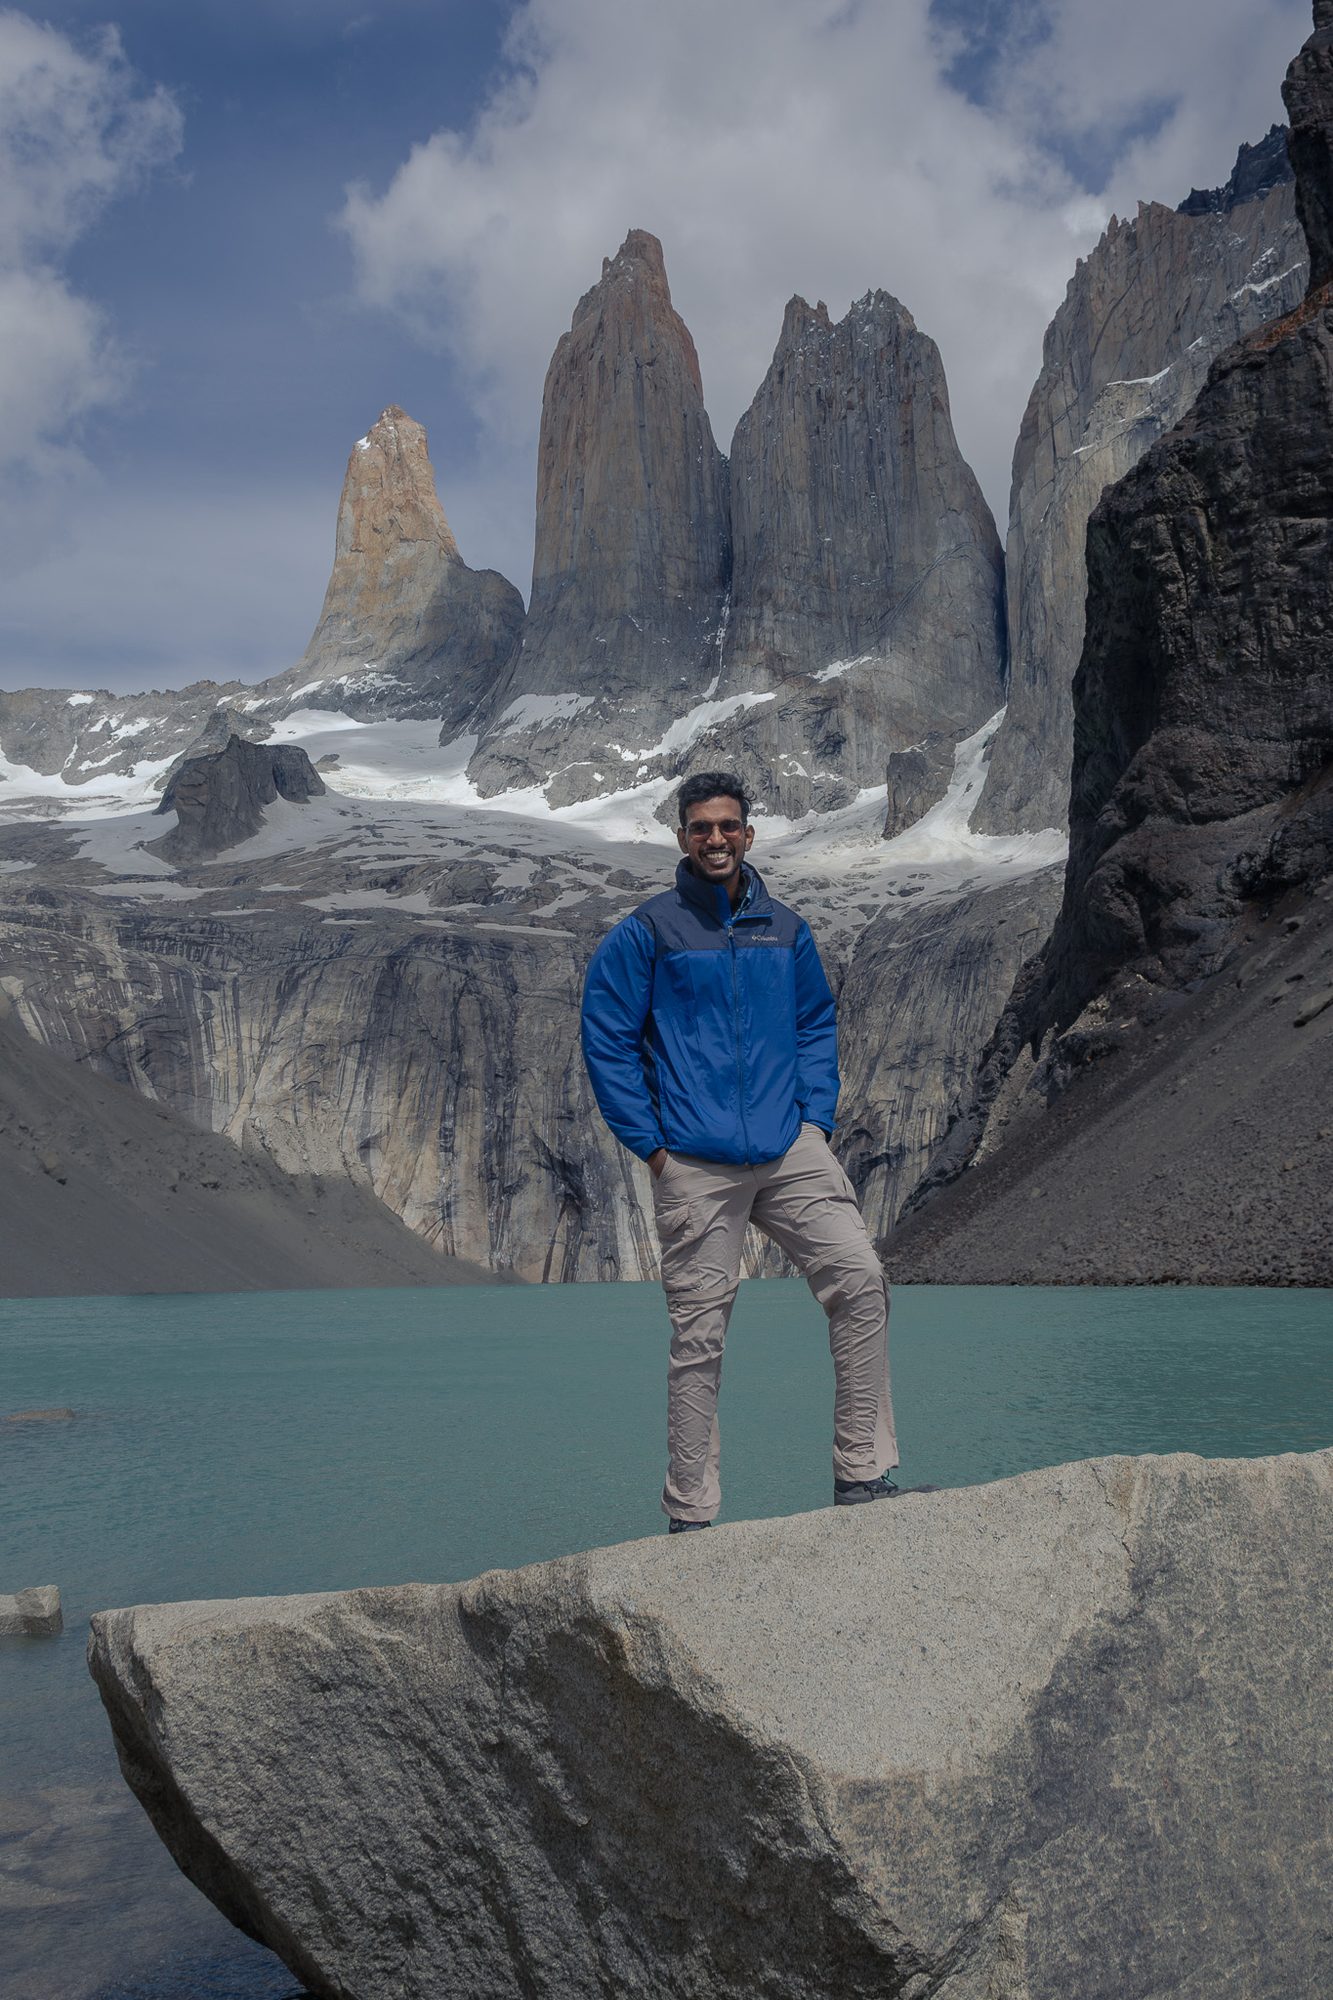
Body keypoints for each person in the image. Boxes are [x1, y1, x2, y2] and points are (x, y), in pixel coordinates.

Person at [580, 770, 898, 1531]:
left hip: (790, 1151)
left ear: (748, 834)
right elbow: (607, 1041)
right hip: (694, 1162)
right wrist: (654, 1149)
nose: (715, 839)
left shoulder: (785, 930)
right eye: (701, 828)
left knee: (861, 1280)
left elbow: (815, 1024)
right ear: (682, 837)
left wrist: (815, 1123)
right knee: (700, 1337)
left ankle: (861, 1474)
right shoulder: (648, 932)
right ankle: (691, 1516)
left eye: (727, 826)